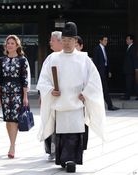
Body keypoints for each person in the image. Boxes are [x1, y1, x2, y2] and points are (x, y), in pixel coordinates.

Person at [37, 22, 106, 173]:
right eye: (65, 40)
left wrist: (86, 93)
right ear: (61, 41)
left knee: (74, 133)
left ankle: (71, 160)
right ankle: (64, 159)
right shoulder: (53, 58)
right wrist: (50, 90)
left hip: (76, 102)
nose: (67, 43)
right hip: (60, 103)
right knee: (61, 133)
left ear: (76, 41)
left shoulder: (84, 59)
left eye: (70, 40)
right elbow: (44, 80)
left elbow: (94, 80)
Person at [0, 35, 29, 159]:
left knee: (14, 119)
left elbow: (24, 79)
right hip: (4, 92)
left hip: (17, 93)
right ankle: (11, 142)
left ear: (17, 45)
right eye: (8, 43)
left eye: (12, 43)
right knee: (8, 120)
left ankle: (12, 146)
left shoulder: (22, 60)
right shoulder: (2, 60)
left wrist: (25, 96)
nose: (9, 45)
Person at [41, 31, 63, 161]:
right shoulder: (50, 58)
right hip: (52, 96)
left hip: (66, 97)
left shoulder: (69, 56)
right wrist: (46, 91)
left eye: (52, 40)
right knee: (50, 122)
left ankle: (61, 149)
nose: (50, 42)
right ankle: (52, 150)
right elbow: (44, 79)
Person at [93, 36, 119, 111]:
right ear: (100, 41)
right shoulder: (97, 49)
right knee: (104, 89)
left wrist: (109, 71)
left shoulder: (104, 49)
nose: (106, 41)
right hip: (99, 73)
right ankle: (110, 105)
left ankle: (109, 105)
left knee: (104, 89)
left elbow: (106, 61)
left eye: (107, 40)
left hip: (104, 72)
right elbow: (96, 62)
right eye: (104, 40)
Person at [121, 34, 138, 100]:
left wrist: (136, 68)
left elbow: (134, 59)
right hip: (128, 69)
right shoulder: (128, 47)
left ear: (131, 40)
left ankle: (127, 96)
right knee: (131, 83)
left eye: (128, 39)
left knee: (129, 83)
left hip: (131, 69)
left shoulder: (133, 48)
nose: (126, 40)